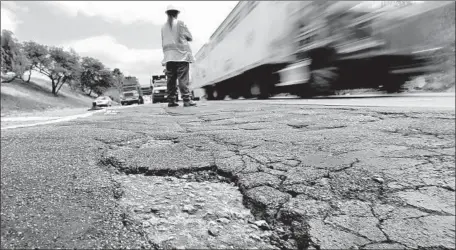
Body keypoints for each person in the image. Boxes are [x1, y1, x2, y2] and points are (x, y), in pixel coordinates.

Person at [161, 5, 197, 107]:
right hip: (181, 56)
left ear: (167, 14)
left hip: (169, 57)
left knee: (171, 80)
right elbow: (190, 37)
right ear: (177, 13)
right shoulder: (180, 24)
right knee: (183, 79)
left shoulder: (163, 27)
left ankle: (171, 101)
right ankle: (186, 100)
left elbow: (163, 42)